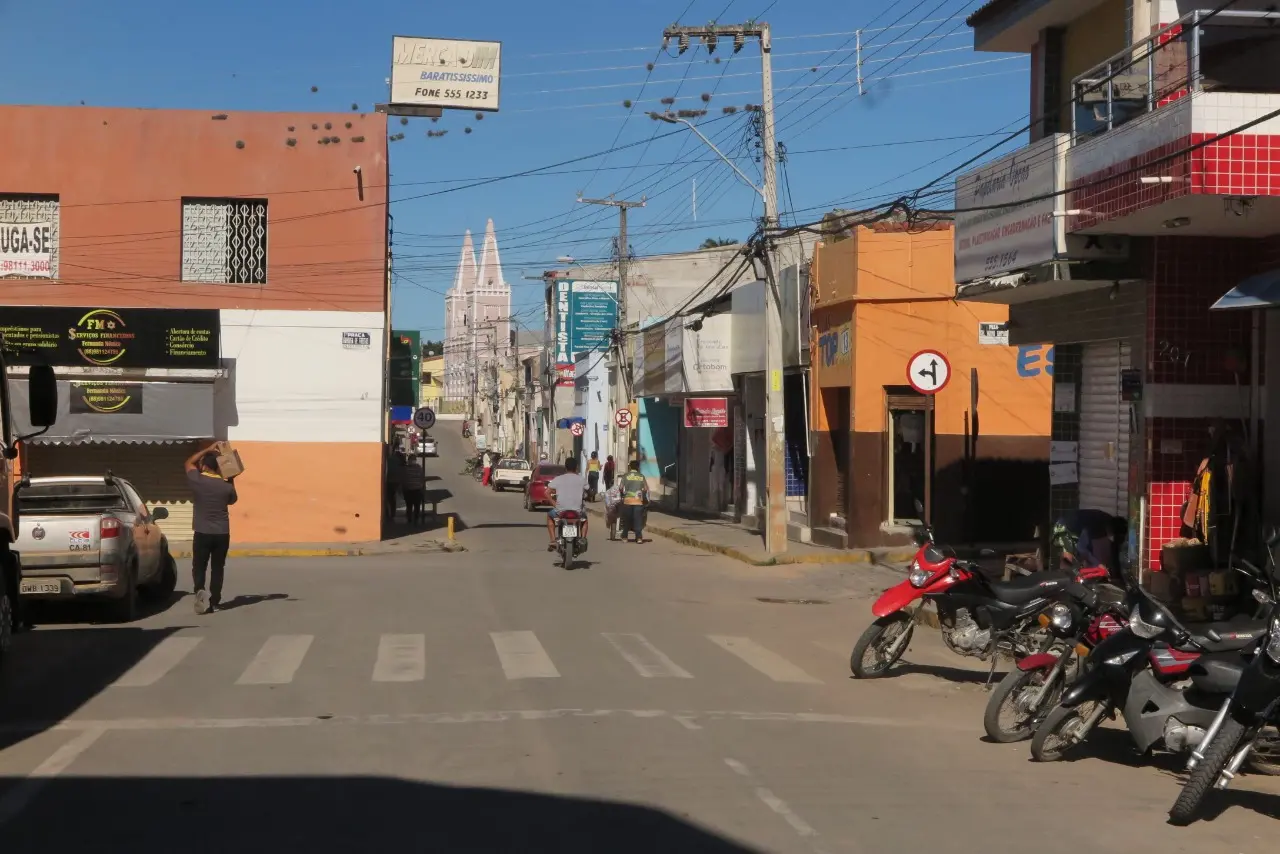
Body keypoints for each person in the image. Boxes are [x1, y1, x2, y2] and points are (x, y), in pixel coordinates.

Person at [184, 442, 239, 614]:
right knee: (218, 567)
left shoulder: (198, 480)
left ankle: (200, 590)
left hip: (202, 532)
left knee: (199, 566)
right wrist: (230, 477)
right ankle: (215, 601)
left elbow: (188, 463)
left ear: (205, 466)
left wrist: (208, 449)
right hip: (222, 533)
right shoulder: (226, 486)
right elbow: (232, 500)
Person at [545, 456, 588, 551]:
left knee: (549, 516)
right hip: (577, 511)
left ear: (565, 467)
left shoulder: (558, 479)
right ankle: (583, 539)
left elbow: (547, 492)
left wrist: (554, 504)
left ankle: (552, 540)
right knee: (584, 519)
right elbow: (588, 490)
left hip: (560, 511)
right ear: (576, 467)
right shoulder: (581, 479)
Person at [619, 460, 649, 544]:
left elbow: (621, 488)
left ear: (630, 467)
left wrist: (622, 494)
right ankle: (639, 538)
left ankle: (625, 537)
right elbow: (646, 489)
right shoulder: (641, 476)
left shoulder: (626, 476)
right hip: (638, 501)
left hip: (627, 501)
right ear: (638, 467)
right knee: (638, 519)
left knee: (627, 519)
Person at [402, 453, 426, 525]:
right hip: (417, 490)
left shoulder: (406, 468)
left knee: (409, 506)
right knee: (416, 506)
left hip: (408, 490)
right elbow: (422, 478)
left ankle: (409, 519)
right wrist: (422, 487)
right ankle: (416, 520)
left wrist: (403, 489)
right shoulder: (419, 468)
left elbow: (404, 480)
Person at [384, 448, 403, 522]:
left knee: (388, 498)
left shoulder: (388, 459)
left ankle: (388, 514)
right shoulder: (399, 461)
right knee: (392, 498)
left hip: (388, 481)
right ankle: (392, 513)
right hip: (396, 481)